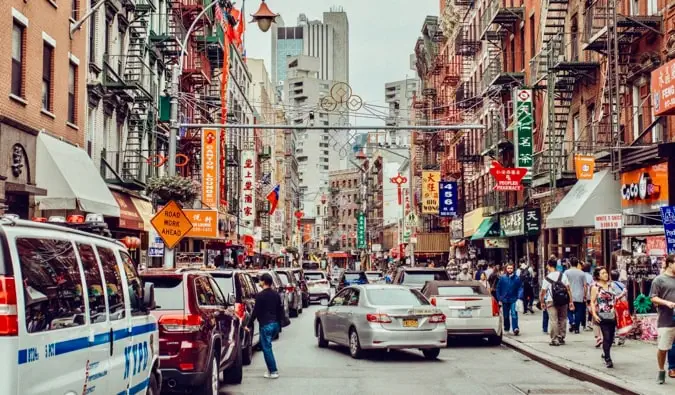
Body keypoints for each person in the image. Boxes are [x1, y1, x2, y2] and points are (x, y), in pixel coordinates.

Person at [249, 273, 285, 379]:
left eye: (260, 280)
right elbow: (280, 310)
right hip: (275, 324)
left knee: (267, 348)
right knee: (266, 345)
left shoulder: (260, 296)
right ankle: (271, 370)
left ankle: (273, 371)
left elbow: (255, 311)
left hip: (266, 325)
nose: (259, 282)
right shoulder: (276, 294)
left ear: (264, 282)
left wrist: (248, 324)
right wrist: (279, 325)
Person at [649, 254, 675, 384]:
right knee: (663, 347)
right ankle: (661, 370)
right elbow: (653, 297)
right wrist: (666, 303)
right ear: (670, 264)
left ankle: (673, 368)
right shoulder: (659, 280)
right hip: (666, 319)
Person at [540, 259, 575, 346]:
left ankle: (554, 339)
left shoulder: (547, 278)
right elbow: (568, 289)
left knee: (553, 320)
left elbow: (542, 292)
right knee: (563, 318)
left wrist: (542, 302)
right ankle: (561, 337)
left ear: (548, 265)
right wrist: (571, 301)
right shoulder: (563, 276)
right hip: (563, 300)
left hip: (551, 300)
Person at [590, 267, 618, 368]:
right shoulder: (595, 287)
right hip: (602, 314)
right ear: (598, 276)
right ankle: (608, 359)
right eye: (603, 273)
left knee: (611, 338)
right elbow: (592, 302)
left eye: (606, 272)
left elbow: (615, 299)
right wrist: (594, 314)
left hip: (613, 314)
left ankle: (605, 352)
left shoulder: (612, 285)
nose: (606, 275)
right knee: (606, 337)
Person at [496, 263, 522, 335]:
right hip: (504, 299)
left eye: (511, 268)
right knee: (506, 315)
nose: (510, 269)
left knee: (514, 313)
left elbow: (520, 288)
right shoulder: (502, 278)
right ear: (506, 269)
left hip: (513, 299)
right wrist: (500, 298)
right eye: (508, 268)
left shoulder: (517, 278)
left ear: (513, 269)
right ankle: (506, 327)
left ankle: (515, 328)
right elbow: (498, 288)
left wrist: (519, 297)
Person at [565, 258, 588, 334]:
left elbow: (564, 284)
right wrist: (585, 295)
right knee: (578, 312)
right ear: (577, 263)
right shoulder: (582, 273)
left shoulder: (566, 272)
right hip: (579, 295)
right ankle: (577, 328)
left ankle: (572, 322)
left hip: (569, 294)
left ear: (570, 263)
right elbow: (585, 286)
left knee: (569, 310)